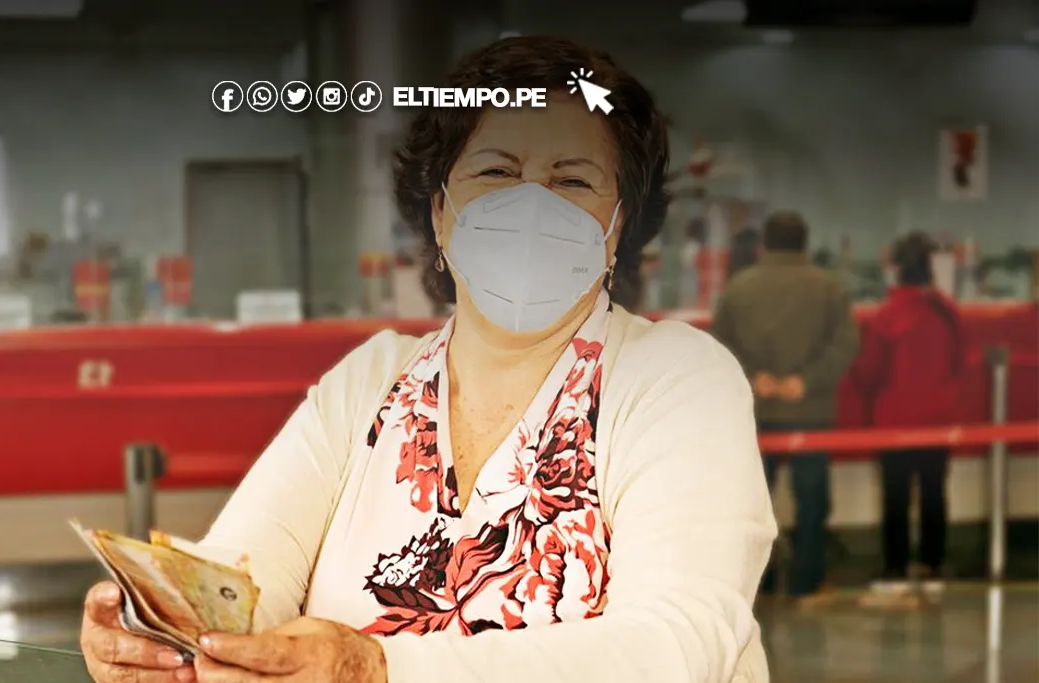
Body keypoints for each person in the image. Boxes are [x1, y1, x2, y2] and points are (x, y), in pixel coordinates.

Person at [81, 36, 776, 683]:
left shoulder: (677, 380)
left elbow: (675, 645)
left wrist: (377, 667)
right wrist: (160, 624)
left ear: (620, 225)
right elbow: (242, 581)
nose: (530, 205)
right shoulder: (370, 382)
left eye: (571, 181)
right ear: (440, 212)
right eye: (496, 171)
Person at [711, 211, 859, 606]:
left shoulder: (739, 288)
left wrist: (753, 377)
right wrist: (805, 381)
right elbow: (845, 343)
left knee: (753, 505)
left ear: (764, 245)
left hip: (755, 413)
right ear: (805, 245)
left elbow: (718, 342)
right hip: (811, 411)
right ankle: (807, 582)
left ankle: (754, 588)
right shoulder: (828, 288)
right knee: (812, 501)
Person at [852, 233, 966, 595]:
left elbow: (870, 370)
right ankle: (933, 565)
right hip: (938, 418)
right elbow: (958, 362)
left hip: (895, 420)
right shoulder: (947, 311)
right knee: (934, 492)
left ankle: (896, 569)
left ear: (897, 269)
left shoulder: (888, 315)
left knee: (896, 496)